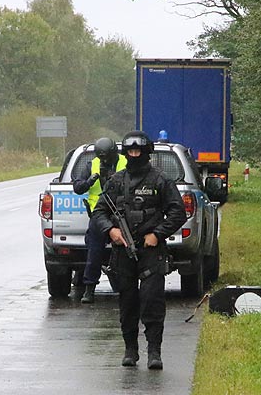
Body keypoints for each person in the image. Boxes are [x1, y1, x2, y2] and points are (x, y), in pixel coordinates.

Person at [91, 130, 186, 370]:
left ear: (146, 152)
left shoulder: (160, 180)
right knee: (128, 302)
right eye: (131, 151)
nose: (134, 154)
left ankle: (154, 351)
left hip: (151, 251)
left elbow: (178, 212)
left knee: (152, 301)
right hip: (123, 251)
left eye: (138, 151)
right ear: (126, 152)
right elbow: (99, 212)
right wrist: (111, 231)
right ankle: (130, 350)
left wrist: (157, 234)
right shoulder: (116, 182)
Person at [72, 137, 127, 303]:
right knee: (94, 250)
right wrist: (90, 181)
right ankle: (89, 288)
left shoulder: (125, 162)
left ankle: (127, 285)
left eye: (106, 157)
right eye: (101, 157)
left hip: (122, 211)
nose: (103, 161)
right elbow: (78, 187)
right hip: (99, 213)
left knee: (127, 248)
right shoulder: (92, 164)